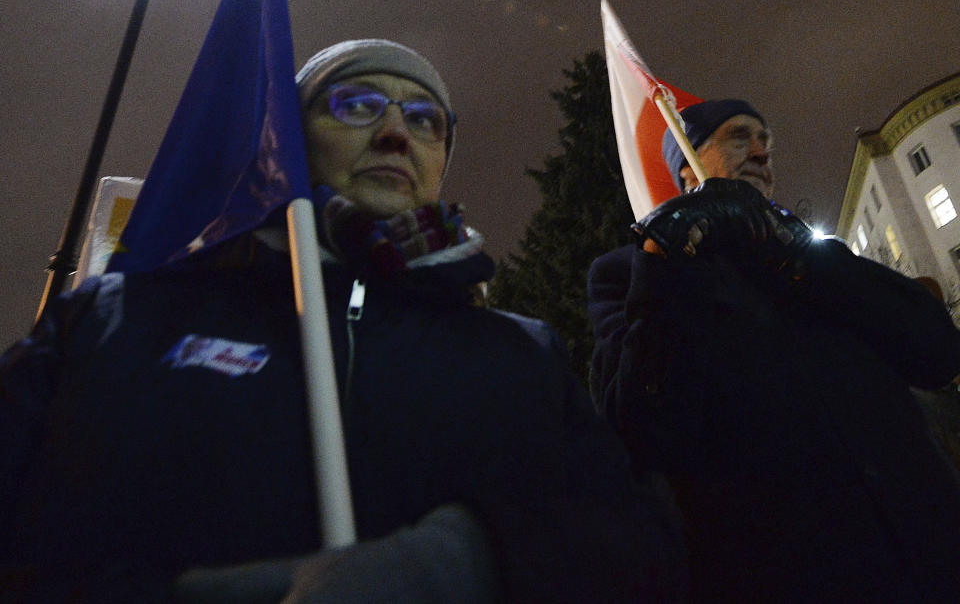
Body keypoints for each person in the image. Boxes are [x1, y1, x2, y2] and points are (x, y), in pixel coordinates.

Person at [0, 39, 687, 603]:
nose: (395, 133)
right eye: (355, 106)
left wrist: (467, 560)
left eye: (425, 119)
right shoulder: (117, 321)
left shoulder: (522, 354)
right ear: (291, 145)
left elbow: (639, 547)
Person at [589, 98, 960, 603]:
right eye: (740, 137)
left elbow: (936, 350)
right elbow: (646, 426)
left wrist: (795, 252)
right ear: (686, 165)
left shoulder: (817, 254)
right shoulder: (631, 273)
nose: (763, 152)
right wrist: (674, 257)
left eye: (768, 140)